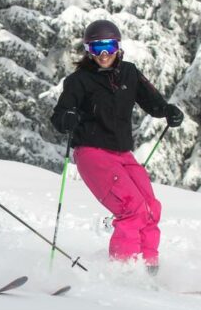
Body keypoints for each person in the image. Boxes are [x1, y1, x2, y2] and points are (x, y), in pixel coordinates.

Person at [51, 19, 184, 274]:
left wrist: (168, 111)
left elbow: (154, 103)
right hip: (91, 152)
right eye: (97, 47)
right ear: (88, 50)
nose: (104, 54)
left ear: (118, 47)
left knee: (150, 207)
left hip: (122, 152)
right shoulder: (79, 81)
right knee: (131, 207)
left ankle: (148, 268)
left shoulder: (129, 73)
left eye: (109, 46)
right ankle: (124, 270)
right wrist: (67, 118)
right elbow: (59, 116)